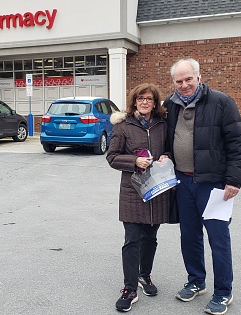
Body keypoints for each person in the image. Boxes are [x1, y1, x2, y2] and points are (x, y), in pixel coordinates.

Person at [163, 59, 241, 315]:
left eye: (188, 79)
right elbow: (165, 137)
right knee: (189, 236)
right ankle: (196, 281)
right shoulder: (170, 105)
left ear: (199, 77)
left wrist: (234, 180)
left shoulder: (221, 102)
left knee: (218, 239)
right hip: (183, 182)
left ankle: (224, 292)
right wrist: (166, 154)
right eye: (179, 81)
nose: (184, 85)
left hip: (214, 185)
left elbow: (237, 144)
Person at [106, 83, 172, 312]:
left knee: (151, 238)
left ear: (155, 103)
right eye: (141, 98)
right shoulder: (123, 126)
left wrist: (165, 155)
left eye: (149, 99)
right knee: (132, 239)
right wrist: (134, 161)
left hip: (156, 190)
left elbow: (170, 149)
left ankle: (145, 276)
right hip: (133, 191)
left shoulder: (163, 125)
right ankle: (129, 287)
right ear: (134, 101)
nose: (145, 102)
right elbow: (112, 157)